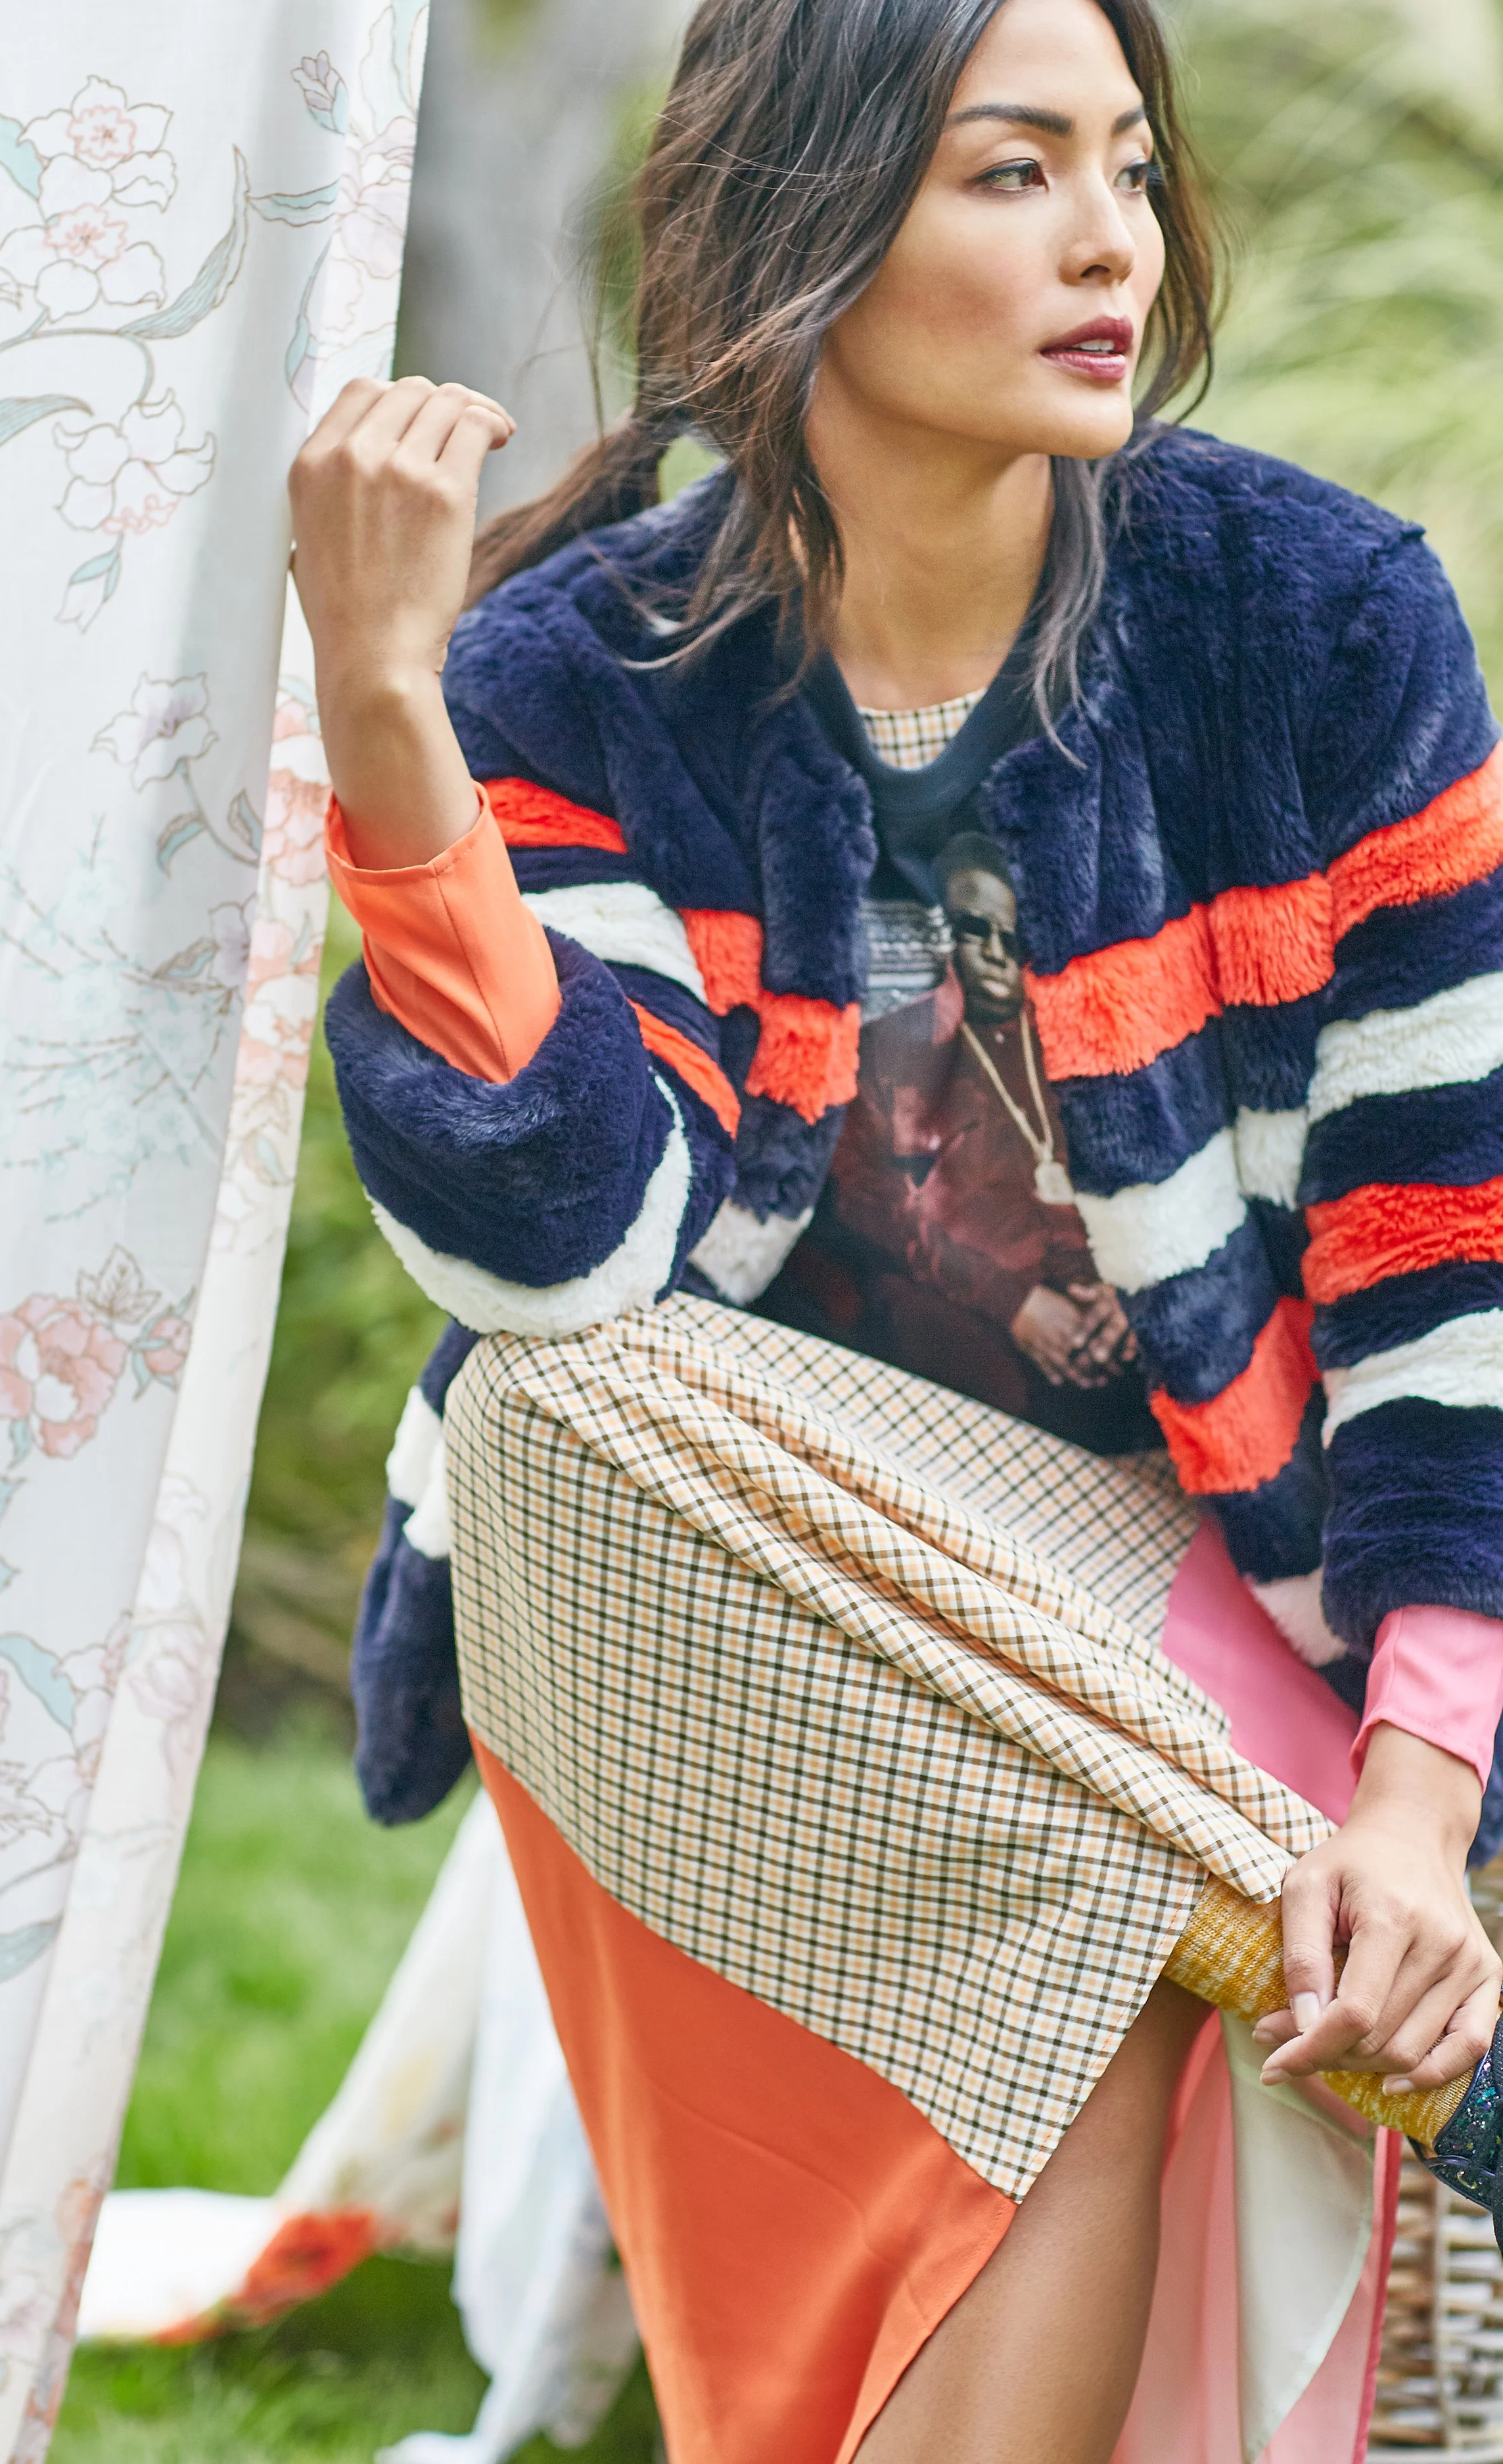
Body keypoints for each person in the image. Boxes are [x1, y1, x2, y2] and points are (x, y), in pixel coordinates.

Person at [289, 0, 1503, 2451]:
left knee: (1069, 1909)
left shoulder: (1305, 622)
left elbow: (1441, 1258)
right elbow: (574, 1252)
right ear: (803, 228)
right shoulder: (581, 679)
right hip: (795, 1635)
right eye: (1011, 172)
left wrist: (1414, 1792)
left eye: (1128, 169)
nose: (1109, 243)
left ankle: (1218, 1892)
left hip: (1232, 1603)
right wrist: (395, 722)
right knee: (542, 1414)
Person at [762, 825, 1155, 1449]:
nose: (997, 954)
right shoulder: (900, 1047)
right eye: (976, 931)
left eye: (1013, 937)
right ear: (946, 935)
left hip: (1117, 1326)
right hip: (972, 1337)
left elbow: (1158, 1165)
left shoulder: (1087, 1030)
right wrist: (1014, 1304)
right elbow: (869, 1202)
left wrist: (1132, 1291)